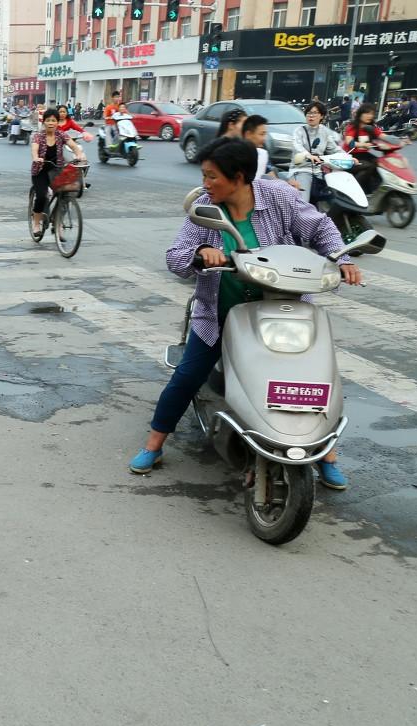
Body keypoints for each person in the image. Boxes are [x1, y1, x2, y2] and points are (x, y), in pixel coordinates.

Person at [128, 138, 361, 490]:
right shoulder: (206, 208)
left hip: (282, 311)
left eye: (212, 176)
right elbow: (175, 256)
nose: (205, 185)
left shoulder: (279, 197)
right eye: (204, 176)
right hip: (220, 314)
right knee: (188, 376)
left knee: (315, 379)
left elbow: (320, 227)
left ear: (238, 176)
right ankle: (154, 445)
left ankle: (326, 454)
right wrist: (202, 251)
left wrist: (341, 258)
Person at [30, 108, 86, 237]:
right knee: (41, 196)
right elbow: (34, 149)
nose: (51, 123)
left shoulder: (61, 134)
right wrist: (36, 157)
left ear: (57, 122)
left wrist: (79, 154)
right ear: (44, 122)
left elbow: (72, 145)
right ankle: (36, 223)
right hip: (40, 170)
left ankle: (58, 221)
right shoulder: (38, 136)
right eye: (48, 120)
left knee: (67, 194)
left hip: (57, 169)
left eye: (53, 120)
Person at [289, 101, 341, 197]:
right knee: (303, 202)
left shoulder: (325, 132)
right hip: (302, 170)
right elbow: (297, 146)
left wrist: (349, 157)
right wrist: (308, 155)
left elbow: (334, 149)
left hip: (319, 172)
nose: (311, 116)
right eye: (309, 113)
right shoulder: (299, 131)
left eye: (314, 113)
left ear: (322, 116)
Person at [342, 102, 384, 194]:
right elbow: (349, 142)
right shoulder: (353, 126)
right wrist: (363, 145)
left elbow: (382, 136)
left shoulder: (372, 127)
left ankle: (372, 191)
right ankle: (351, 191)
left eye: (372, 114)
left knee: (381, 163)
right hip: (350, 155)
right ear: (360, 114)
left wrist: (400, 141)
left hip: (364, 155)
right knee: (369, 166)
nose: (370, 116)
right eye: (367, 113)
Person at [241, 115, 277, 180]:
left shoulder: (263, 154)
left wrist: (287, 186)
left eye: (265, 134)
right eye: (261, 134)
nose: (264, 138)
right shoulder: (235, 155)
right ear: (248, 134)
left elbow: (272, 179)